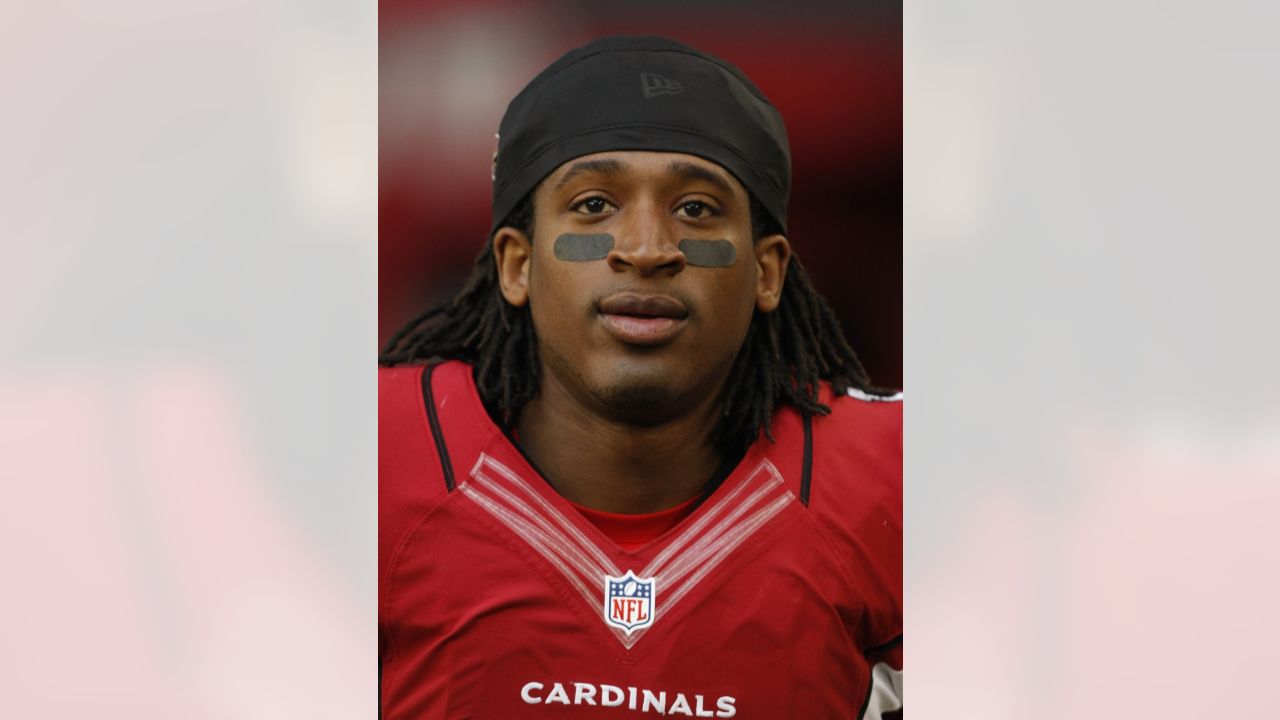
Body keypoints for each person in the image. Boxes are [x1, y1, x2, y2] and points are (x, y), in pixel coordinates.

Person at [379, 35, 901, 719]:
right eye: (595, 204)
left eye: (696, 209)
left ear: (767, 271)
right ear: (517, 264)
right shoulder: (372, 459)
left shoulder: (899, 480)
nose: (647, 250)